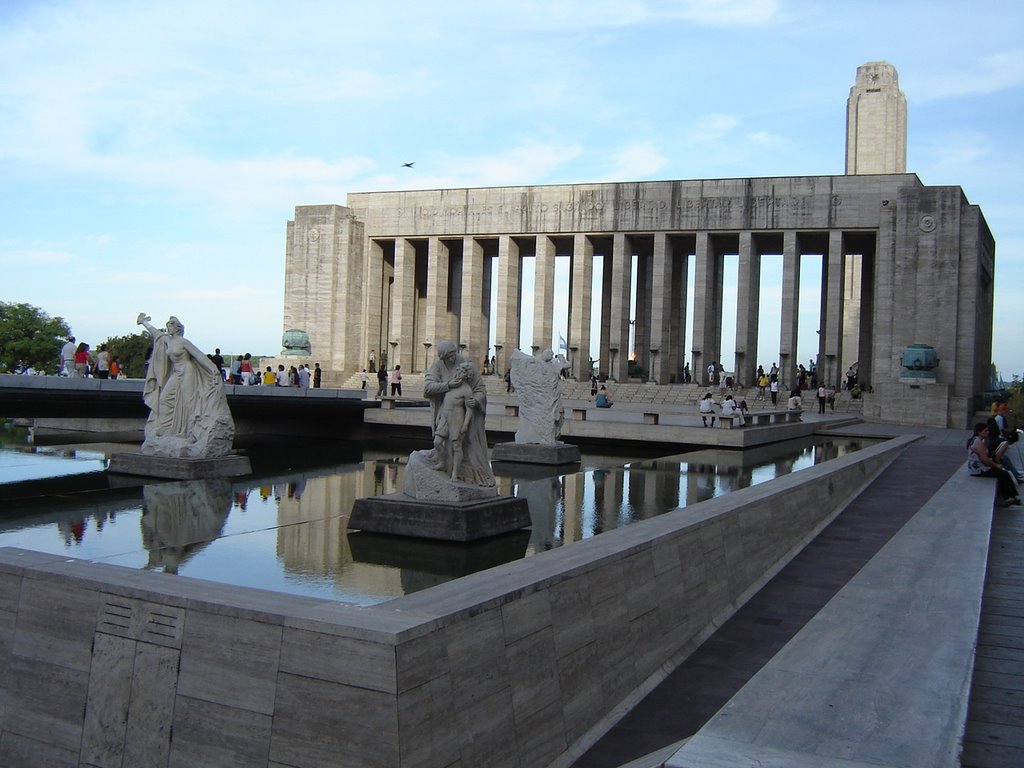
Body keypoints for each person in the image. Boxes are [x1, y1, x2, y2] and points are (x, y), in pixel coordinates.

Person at [136, 313, 234, 458]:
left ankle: (190, 432)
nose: (168, 327)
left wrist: (213, 370)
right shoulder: (167, 340)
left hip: (188, 372)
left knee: (189, 403)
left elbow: (200, 356)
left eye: (170, 325)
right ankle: (167, 429)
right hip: (176, 373)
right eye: (167, 325)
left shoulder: (183, 342)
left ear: (177, 328)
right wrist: (144, 322)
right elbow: (156, 333)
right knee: (164, 399)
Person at [421, 340, 494, 487]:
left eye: (453, 354)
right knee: (437, 442)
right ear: (443, 357)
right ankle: (444, 461)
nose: (453, 358)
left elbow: (480, 389)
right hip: (444, 412)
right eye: (449, 356)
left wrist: (476, 400)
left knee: (457, 444)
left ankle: (456, 472)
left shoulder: (466, 365)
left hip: (459, 414)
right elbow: (428, 387)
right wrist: (447, 385)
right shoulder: (438, 366)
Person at [966, 422, 1021, 506]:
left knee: (1002, 474)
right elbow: (984, 459)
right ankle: (1010, 497)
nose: (987, 432)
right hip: (979, 469)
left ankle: (1010, 497)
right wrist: (996, 465)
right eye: (985, 431)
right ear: (979, 432)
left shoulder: (978, 440)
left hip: (977, 467)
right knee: (1004, 474)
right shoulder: (978, 442)